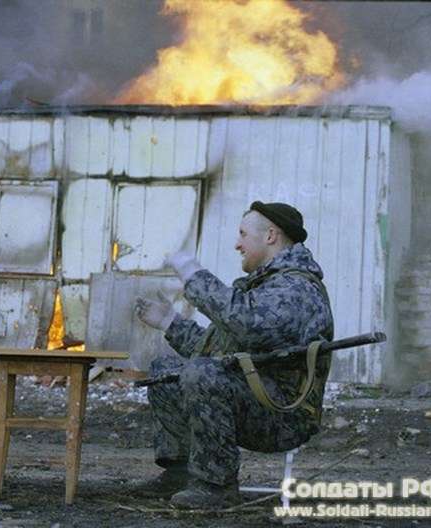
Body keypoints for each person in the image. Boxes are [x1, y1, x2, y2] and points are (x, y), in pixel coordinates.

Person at [134, 201, 334, 509]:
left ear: (271, 236)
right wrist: (169, 322)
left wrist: (193, 274)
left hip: (283, 414)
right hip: (254, 398)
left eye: (243, 234)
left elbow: (248, 326)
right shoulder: (267, 286)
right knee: (167, 371)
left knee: (202, 373)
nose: (237, 244)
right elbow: (219, 350)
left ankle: (216, 486)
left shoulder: (296, 288)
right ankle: (180, 472)